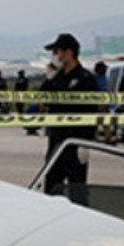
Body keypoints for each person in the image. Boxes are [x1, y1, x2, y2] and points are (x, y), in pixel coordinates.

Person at [39, 33, 99, 200]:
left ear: (69, 52)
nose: (55, 57)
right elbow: (41, 102)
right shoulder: (56, 78)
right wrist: (48, 80)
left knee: (77, 193)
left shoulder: (86, 80)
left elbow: (91, 113)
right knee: (51, 190)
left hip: (75, 143)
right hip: (56, 141)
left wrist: (86, 143)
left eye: (57, 52)